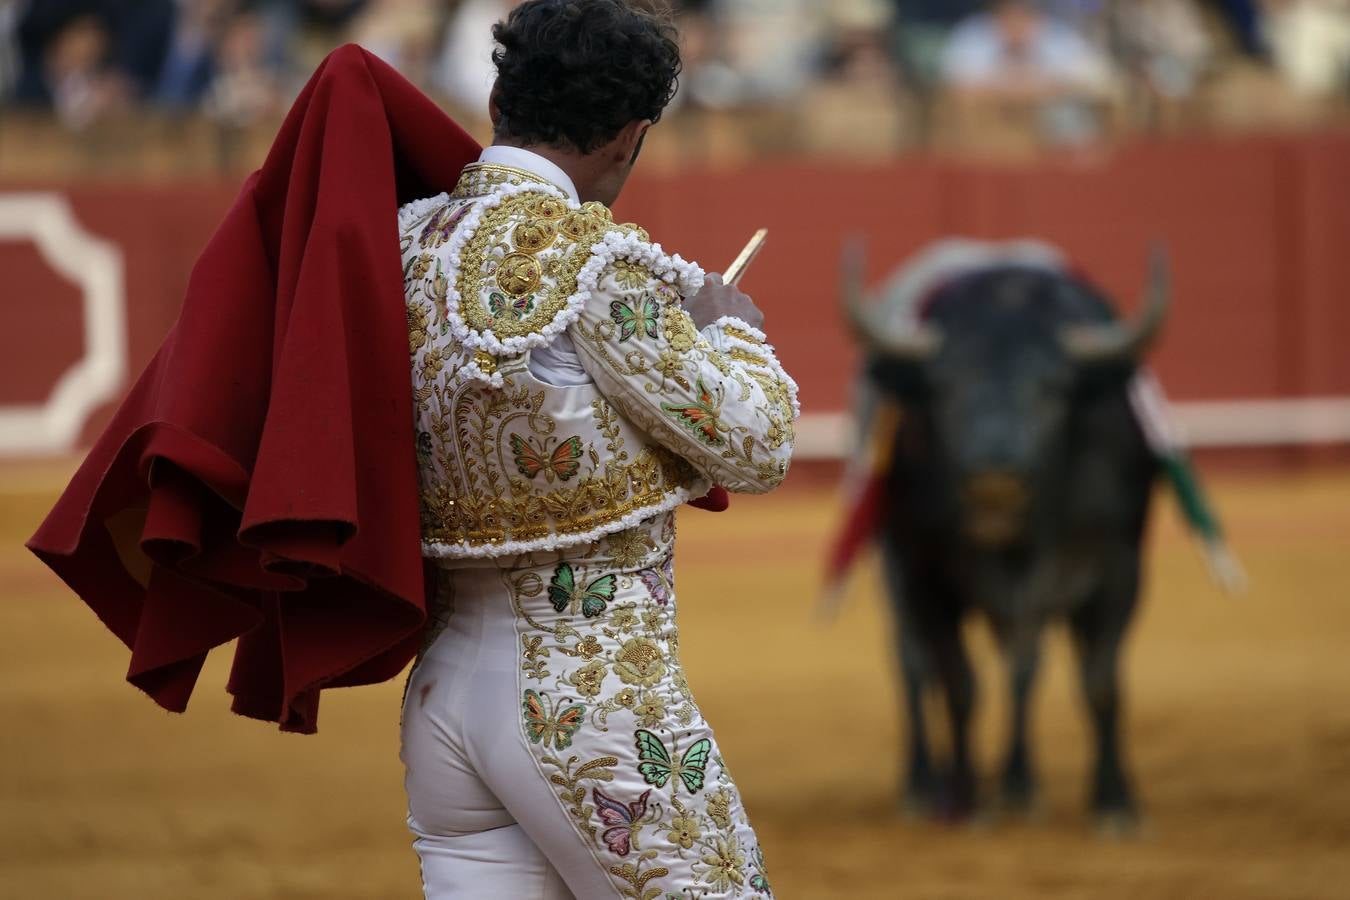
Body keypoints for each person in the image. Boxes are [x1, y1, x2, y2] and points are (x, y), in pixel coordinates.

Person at [396, 2, 797, 897]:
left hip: (442, 698)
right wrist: (729, 334)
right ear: (630, 136)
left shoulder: (405, 241)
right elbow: (758, 444)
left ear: (499, 94)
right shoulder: (599, 265)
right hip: (595, 699)